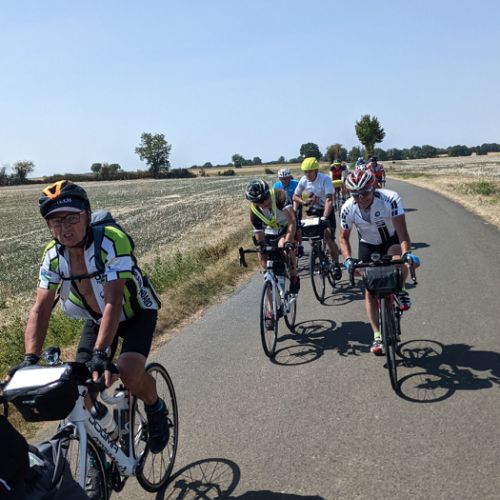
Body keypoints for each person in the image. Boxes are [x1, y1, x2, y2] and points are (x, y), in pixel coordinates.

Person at [9, 180, 169, 456]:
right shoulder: (53, 255)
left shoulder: (110, 240)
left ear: (87, 215)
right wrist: (29, 360)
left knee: (128, 370)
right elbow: (41, 308)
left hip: (135, 312)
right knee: (79, 388)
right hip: (97, 318)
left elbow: (114, 301)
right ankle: (103, 446)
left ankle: (155, 407)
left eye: (72, 218)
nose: (65, 228)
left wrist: (100, 353)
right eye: (56, 222)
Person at [339, 170, 420, 355]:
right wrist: (348, 259)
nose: (361, 198)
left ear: (373, 187)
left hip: (390, 240)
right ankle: (377, 335)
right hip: (368, 245)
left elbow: (402, 232)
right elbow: (343, 238)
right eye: (355, 194)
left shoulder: (390, 199)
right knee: (369, 290)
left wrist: (407, 253)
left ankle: (400, 289)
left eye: (364, 192)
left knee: (398, 260)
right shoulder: (348, 208)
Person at [245, 179, 300, 328]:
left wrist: (288, 241)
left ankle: (294, 276)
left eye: (265, 198)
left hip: (287, 227)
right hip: (270, 232)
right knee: (265, 267)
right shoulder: (254, 211)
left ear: (268, 192)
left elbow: (292, 221)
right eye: (259, 202)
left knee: (284, 246)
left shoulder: (280, 195)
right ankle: (271, 311)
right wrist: (262, 250)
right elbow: (259, 236)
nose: (264, 203)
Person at [293, 157, 342, 280]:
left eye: (310, 171)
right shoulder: (303, 180)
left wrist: (324, 217)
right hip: (314, 210)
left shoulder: (325, 179)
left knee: (328, 238)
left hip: (327, 210)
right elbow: (295, 196)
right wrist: (303, 202)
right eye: (305, 172)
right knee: (312, 235)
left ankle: (336, 264)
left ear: (316, 170)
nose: (307, 174)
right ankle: (317, 251)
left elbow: (329, 200)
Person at [273, 168, 304, 258]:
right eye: (282, 179)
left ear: (290, 177)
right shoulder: (276, 185)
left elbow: (298, 197)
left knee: (297, 226)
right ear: (279, 179)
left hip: (295, 205)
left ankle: (300, 245)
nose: (285, 181)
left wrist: (294, 209)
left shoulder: (296, 183)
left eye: (287, 178)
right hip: (283, 208)